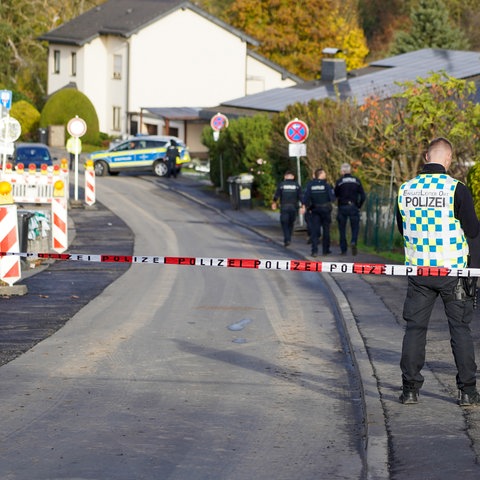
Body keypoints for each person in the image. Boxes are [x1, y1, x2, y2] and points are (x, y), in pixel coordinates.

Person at [396, 137, 480, 406]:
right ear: (448, 159)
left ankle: (410, 389)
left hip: (419, 271)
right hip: (453, 272)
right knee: (460, 330)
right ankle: (467, 391)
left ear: (425, 157)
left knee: (415, 329)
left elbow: (402, 227)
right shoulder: (457, 189)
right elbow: (474, 231)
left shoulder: (405, 189)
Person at [334, 163, 366, 255]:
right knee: (355, 227)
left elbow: (335, 194)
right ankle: (353, 241)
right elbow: (363, 196)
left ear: (343, 171)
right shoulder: (357, 181)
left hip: (342, 207)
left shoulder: (339, 181)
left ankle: (343, 250)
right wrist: (359, 205)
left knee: (342, 229)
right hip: (353, 206)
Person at [303, 168, 335, 257]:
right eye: (324, 173)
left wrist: (306, 207)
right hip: (325, 210)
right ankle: (326, 250)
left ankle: (314, 251)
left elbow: (306, 198)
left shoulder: (310, 185)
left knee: (315, 231)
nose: (325, 175)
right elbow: (332, 198)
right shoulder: (327, 185)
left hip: (315, 210)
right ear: (320, 175)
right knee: (326, 230)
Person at [271, 171, 303, 247]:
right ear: (293, 177)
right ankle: (288, 237)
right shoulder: (297, 185)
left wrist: (274, 203)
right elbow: (301, 196)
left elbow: (277, 195)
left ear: (285, 177)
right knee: (291, 223)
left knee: (284, 223)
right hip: (293, 207)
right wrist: (303, 205)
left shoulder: (282, 185)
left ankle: (287, 239)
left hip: (284, 206)